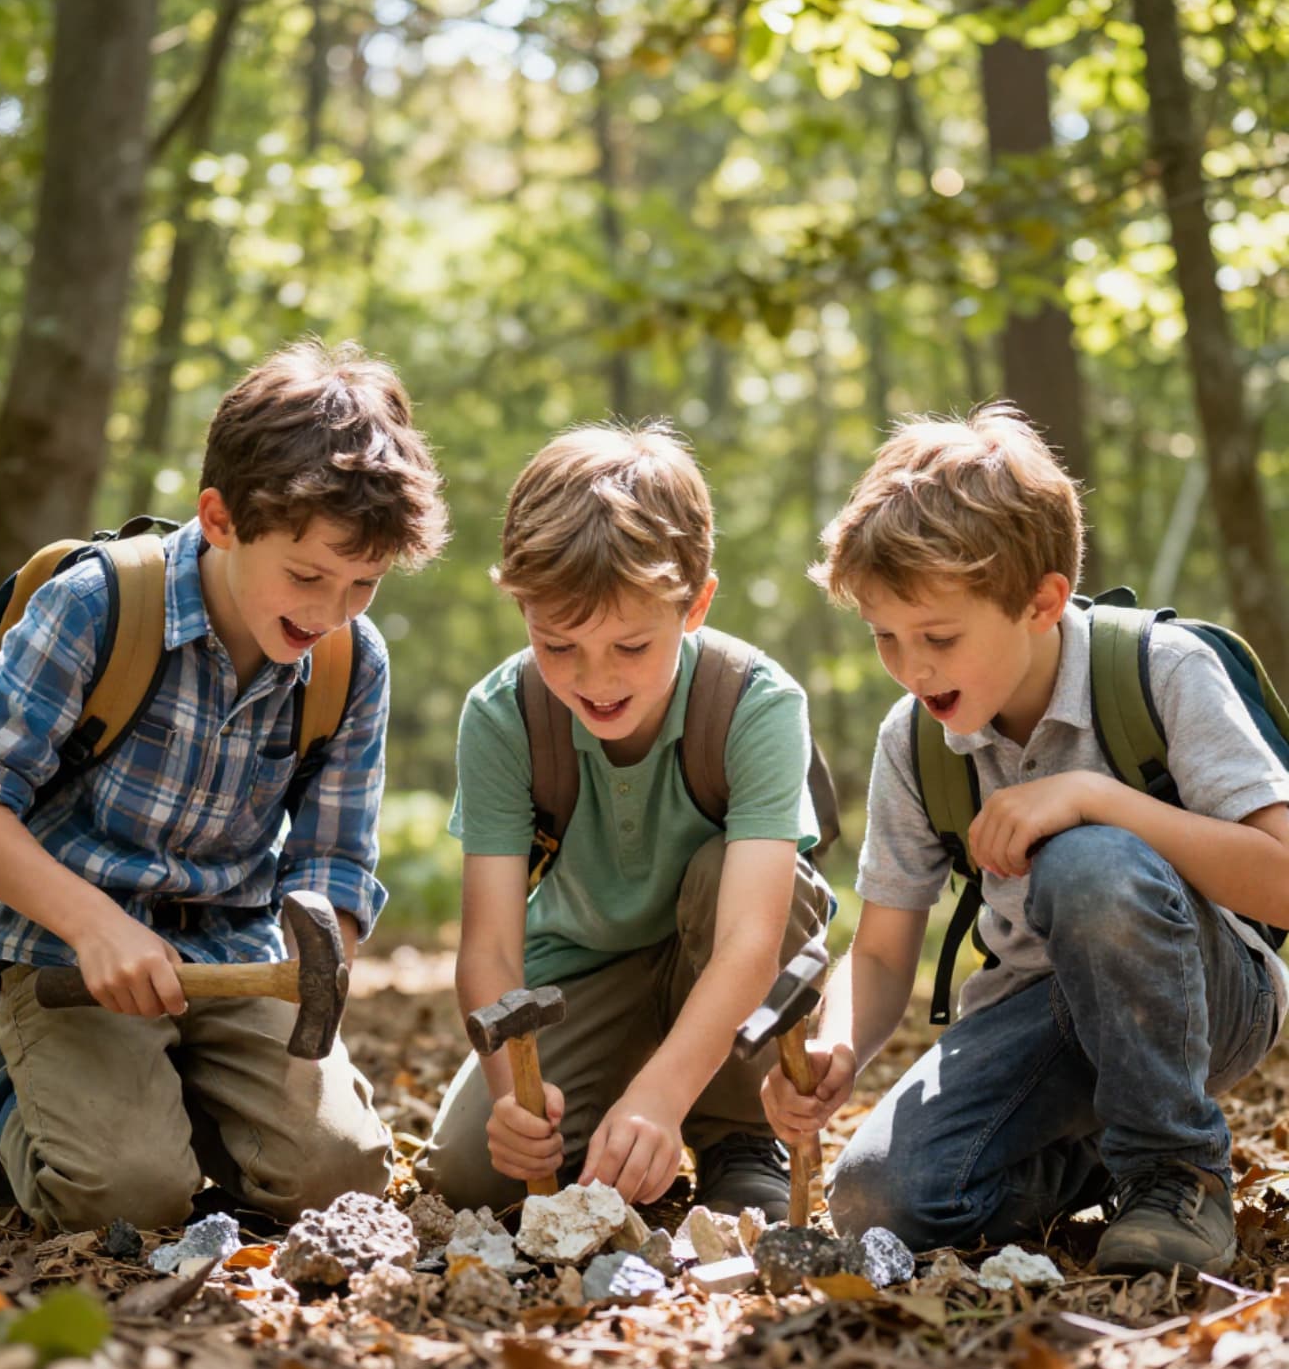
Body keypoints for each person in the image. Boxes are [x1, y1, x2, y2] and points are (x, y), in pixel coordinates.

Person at [0, 338, 448, 1232]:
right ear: (221, 518)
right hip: (67, 953)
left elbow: (334, 862)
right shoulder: (96, 605)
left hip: (235, 956)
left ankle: (168, 1099)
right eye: (307, 575)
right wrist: (94, 925)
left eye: (364, 584)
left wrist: (322, 952)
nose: (329, 612)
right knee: (126, 1199)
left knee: (339, 1178)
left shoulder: (351, 663)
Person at [761, 404, 1289, 1275]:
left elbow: (1279, 880)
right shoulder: (913, 740)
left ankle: (1178, 1173)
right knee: (878, 1202)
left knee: (1088, 862)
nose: (912, 667)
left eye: (939, 637)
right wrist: (839, 1043)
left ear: (1042, 601)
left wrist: (1093, 798)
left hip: (1204, 991)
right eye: (885, 637)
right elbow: (883, 951)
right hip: (1038, 1015)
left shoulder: (1164, 671)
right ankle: (1113, 1158)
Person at [419, 422, 833, 1220]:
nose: (596, 679)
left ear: (695, 604)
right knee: (475, 1175)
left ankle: (738, 1135)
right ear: (523, 610)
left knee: (732, 879)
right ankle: (599, 1127)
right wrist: (513, 1100)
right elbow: (491, 948)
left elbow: (752, 938)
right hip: (578, 975)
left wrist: (662, 1095)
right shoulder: (503, 716)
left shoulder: (757, 704)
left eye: (632, 646)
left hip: (717, 951)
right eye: (558, 645)